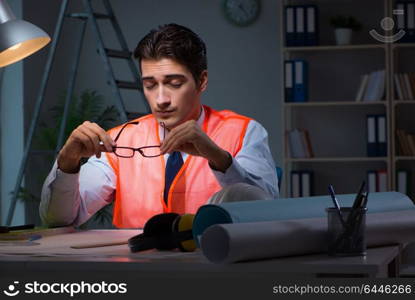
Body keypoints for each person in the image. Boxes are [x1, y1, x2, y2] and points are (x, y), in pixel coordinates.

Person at [40, 23, 278, 228]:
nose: (161, 99)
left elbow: (266, 214)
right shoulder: (120, 141)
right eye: (150, 85)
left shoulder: (243, 132)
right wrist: (67, 163)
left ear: (201, 81)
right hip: (135, 273)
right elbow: (59, 220)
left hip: (212, 270)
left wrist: (218, 157)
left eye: (174, 83)